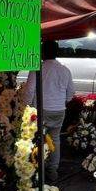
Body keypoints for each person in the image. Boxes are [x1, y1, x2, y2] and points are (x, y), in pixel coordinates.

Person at [23, 40, 75, 183]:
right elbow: (71, 93)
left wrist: (27, 107)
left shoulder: (37, 68)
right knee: (55, 139)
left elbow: (29, 91)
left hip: (42, 109)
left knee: (39, 139)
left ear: (42, 52)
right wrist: (62, 100)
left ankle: (39, 170)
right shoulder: (65, 70)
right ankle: (53, 171)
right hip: (59, 110)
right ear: (56, 53)